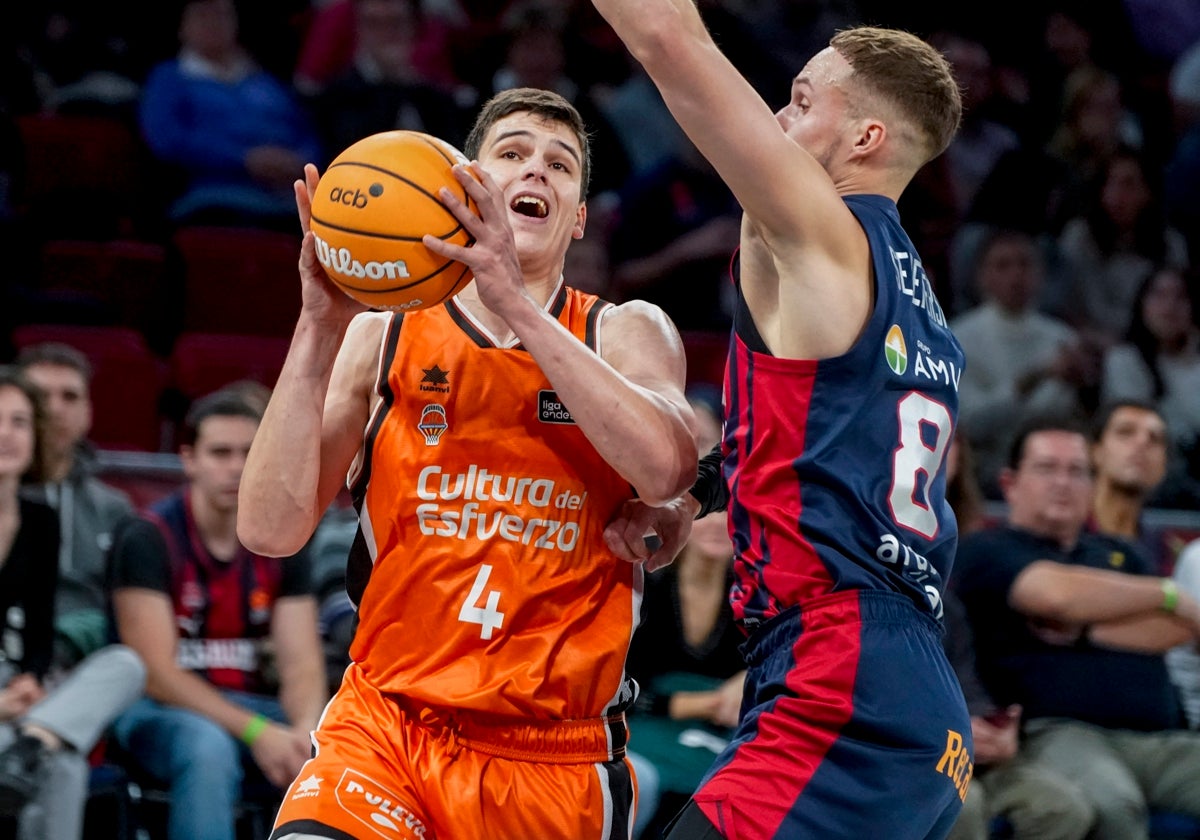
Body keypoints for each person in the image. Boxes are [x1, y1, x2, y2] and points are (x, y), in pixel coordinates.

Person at [236, 87, 697, 840]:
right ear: (464, 190)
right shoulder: (383, 335)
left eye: (560, 165)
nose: (536, 173)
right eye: (511, 154)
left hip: (551, 756)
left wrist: (514, 301)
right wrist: (318, 327)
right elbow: (268, 529)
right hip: (388, 725)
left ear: (578, 217)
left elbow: (666, 471)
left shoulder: (624, 331)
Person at [589, 7, 970, 838]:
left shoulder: (820, 234)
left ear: (866, 138)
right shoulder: (920, 303)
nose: (773, 119)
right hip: (905, 687)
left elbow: (670, 40)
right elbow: (832, 445)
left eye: (800, 101)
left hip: (842, 666)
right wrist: (705, 488)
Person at [953, 416, 1200, 840]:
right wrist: (1164, 590)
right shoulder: (985, 550)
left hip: (1160, 737)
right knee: (1111, 806)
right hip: (1058, 733)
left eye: (1077, 471)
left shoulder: (1120, 552)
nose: (1063, 483)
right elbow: (1054, 595)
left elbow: (1176, 631)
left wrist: (1083, 630)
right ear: (1010, 483)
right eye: (1048, 468)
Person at [107, 387, 327, 840]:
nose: (235, 466)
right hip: (155, 710)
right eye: (220, 453)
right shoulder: (146, 537)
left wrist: (305, 732)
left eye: (248, 452)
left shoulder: (286, 541)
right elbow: (156, 676)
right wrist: (257, 731)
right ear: (188, 459)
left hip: (249, 707)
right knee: (207, 748)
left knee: (333, 745)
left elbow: (302, 665)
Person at [0, 366, 144, 840]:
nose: (7, 434)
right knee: (62, 764)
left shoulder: (40, 520)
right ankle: (33, 744)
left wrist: (32, 684)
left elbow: (40, 628)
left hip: (21, 692)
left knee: (125, 663)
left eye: (20, 422)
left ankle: (31, 741)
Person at [137, 0, 324, 231]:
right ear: (182, 26)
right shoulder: (169, 78)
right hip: (213, 199)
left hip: (287, 197)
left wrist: (302, 164)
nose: (214, 23)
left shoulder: (265, 81)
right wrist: (245, 159)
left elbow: (305, 130)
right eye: (203, 14)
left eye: (222, 14)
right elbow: (166, 138)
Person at [950, 226, 1098, 495]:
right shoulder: (957, 338)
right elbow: (969, 423)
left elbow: (1071, 420)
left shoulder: (1063, 339)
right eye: (1003, 265)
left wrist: (1086, 390)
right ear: (982, 276)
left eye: (1025, 264)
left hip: (1051, 474)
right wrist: (1038, 376)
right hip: (981, 476)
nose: (1016, 275)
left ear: (1040, 274)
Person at [13, 342, 136, 666]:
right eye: (40, 397)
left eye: (70, 397)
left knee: (127, 668)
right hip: (11, 653)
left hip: (87, 663)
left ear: (88, 412)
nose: (55, 409)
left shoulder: (116, 508)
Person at [1099, 266, 1200, 505]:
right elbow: (1149, 428)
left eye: (1180, 297)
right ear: (1142, 304)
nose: (1170, 306)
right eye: (1159, 295)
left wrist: (1189, 360)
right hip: (1146, 486)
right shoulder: (1123, 360)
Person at [1088, 399, 1173, 569]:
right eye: (1125, 432)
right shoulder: (1061, 532)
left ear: (1164, 466)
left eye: (1155, 439)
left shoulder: (1167, 553)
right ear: (1095, 452)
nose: (1142, 443)